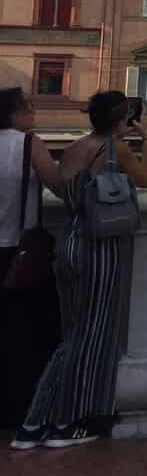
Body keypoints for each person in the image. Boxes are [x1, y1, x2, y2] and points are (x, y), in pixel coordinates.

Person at [15, 90, 147, 449]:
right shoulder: (115, 149)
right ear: (120, 120)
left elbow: (64, 191)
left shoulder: (75, 147)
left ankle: (35, 424)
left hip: (69, 241)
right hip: (99, 247)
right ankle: (61, 423)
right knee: (89, 337)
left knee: (72, 334)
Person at [0, 89, 61, 433]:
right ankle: (24, 413)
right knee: (28, 334)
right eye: (27, 107)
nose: (33, 112)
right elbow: (59, 185)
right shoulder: (28, 144)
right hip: (20, 254)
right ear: (13, 114)